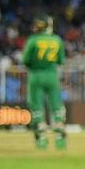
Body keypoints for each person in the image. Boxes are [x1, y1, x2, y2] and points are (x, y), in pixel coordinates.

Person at [20, 16, 67, 151]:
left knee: (37, 107)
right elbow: (60, 61)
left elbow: (25, 60)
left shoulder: (33, 40)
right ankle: (59, 138)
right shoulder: (57, 40)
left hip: (35, 75)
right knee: (56, 105)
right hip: (52, 75)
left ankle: (41, 140)